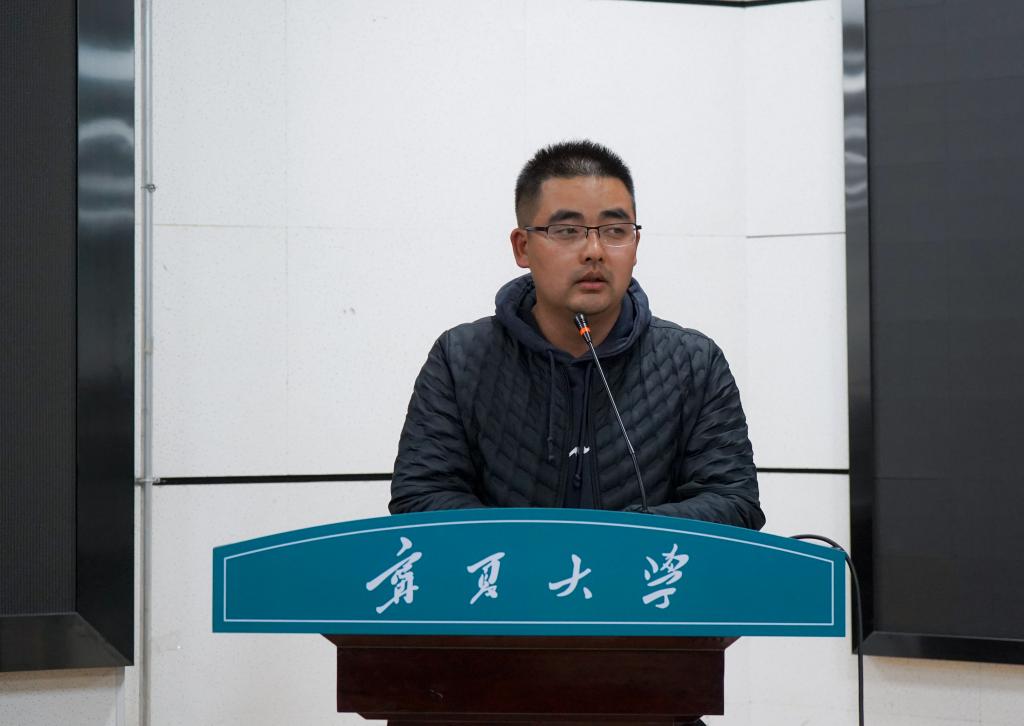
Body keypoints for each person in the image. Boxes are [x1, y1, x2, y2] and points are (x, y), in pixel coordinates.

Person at [390, 140, 764, 532]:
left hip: (639, 571)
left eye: (615, 230)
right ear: (522, 247)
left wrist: (616, 539)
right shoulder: (460, 359)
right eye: (567, 231)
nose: (594, 251)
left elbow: (733, 503)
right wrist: (538, 546)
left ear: (635, 245)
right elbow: (421, 496)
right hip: (510, 571)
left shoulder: (694, 363)